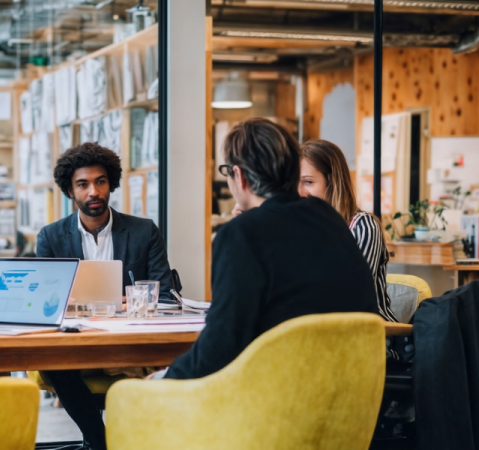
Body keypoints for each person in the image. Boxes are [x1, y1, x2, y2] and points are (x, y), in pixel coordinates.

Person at [154, 118, 380, 382]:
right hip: (353, 395)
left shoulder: (240, 235)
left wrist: (160, 382)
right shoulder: (329, 218)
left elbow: (220, 347)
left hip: (278, 402)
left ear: (238, 176)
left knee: (132, 397)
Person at [36, 142, 173, 450]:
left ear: (111, 183)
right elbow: (46, 302)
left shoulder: (144, 231)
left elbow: (163, 292)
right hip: (74, 344)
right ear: (70, 191)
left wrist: (132, 302)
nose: (93, 192)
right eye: (82, 184)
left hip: (128, 341)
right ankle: (100, 442)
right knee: (56, 361)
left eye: (100, 182)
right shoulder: (51, 237)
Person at [299, 139, 398, 322]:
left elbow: (349, 295)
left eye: (308, 182)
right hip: (319, 333)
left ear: (333, 183)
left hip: (368, 337)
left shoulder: (363, 226)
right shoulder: (300, 228)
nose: (300, 191)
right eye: (295, 182)